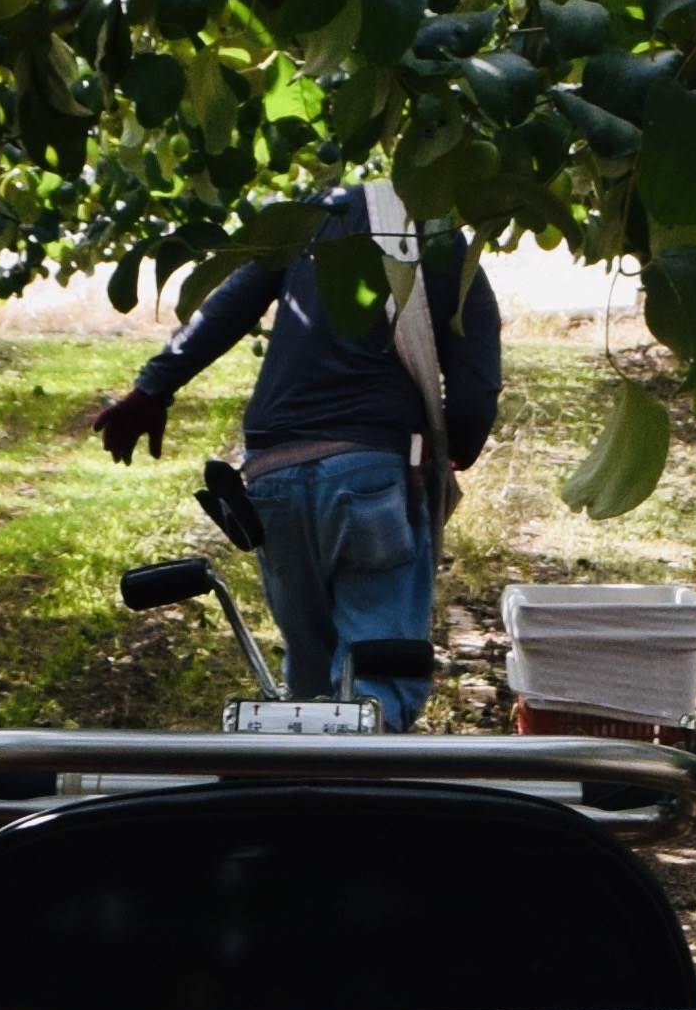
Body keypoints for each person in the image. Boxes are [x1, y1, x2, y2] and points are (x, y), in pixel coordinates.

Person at [88, 183, 501, 722]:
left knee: (309, 673)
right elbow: (475, 386)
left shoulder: (310, 222)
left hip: (271, 474)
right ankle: (360, 790)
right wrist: (459, 446)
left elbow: (229, 304)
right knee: (375, 675)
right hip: (371, 473)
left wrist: (152, 391)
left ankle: (304, 789)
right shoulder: (440, 241)